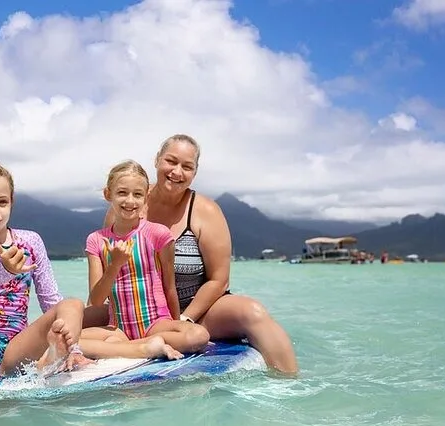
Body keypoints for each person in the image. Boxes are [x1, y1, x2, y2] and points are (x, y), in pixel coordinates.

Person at [0, 163, 179, 392]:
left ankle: (65, 354)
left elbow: (50, 299)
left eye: (2, 202)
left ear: (11, 203)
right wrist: (7, 268)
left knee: (72, 304)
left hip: (14, 352)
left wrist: (71, 340)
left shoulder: (30, 241)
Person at [94, 135, 299, 375]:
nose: (177, 172)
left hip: (197, 312)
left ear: (195, 172)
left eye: (187, 166)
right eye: (171, 161)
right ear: (157, 160)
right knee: (74, 313)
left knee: (252, 312)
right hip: (136, 311)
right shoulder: (129, 202)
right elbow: (108, 271)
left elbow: (219, 280)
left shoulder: (205, 211)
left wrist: (184, 319)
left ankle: (290, 383)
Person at [82, 160, 209, 355]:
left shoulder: (158, 234)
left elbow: (169, 287)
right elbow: (96, 301)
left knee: (199, 335)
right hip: (119, 329)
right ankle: (143, 347)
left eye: (137, 194)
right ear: (108, 194)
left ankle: (124, 348)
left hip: (156, 324)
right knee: (67, 337)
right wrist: (114, 266)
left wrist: (176, 326)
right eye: (122, 193)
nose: (130, 201)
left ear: (146, 197)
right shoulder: (97, 240)